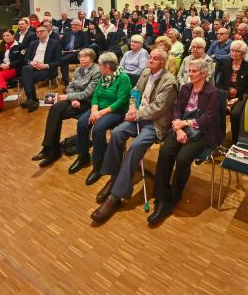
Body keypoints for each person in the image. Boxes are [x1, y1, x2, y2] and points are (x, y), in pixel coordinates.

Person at [91, 49, 179, 222]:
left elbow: (159, 108)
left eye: (154, 59)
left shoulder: (170, 81)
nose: (150, 61)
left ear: (162, 62)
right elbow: (134, 92)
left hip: (155, 123)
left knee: (136, 146)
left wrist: (136, 114)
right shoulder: (146, 72)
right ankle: (114, 178)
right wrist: (132, 107)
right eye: (150, 57)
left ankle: (115, 196)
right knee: (116, 133)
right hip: (136, 117)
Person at [149, 58, 221, 226]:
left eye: (194, 71)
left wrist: (185, 124)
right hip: (182, 127)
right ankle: (160, 195)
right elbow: (177, 109)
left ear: (204, 74)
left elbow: (208, 118)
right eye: (189, 71)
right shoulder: (185, 87)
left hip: (203, 132)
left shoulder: (212, 92)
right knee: (165, 151)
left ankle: (174, 197)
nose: (190, 74)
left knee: (182, 158)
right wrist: (178, 128)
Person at [69, 52, 131, 185]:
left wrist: (100, 113)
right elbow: (96, 95)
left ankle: (98, 164)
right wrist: (94, 110)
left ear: (107, 67)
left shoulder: (123, 78)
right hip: (99, 109)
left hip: (115, 111)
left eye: (101, 65)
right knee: (82, 123)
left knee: (98, 128)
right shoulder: (104, 77)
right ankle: (83, 156)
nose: (99, 67)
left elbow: (121, 101)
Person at [32, 48, 100, 167]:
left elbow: (87, 94)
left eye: (85, 57)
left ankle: (53, 151)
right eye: (80, 56)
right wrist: (72, 99)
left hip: (87, 103)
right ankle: (49, 148)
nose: (81, 59)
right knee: (55, 109)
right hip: (75, 100)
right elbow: (70, 86)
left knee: (57, 113)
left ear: (92, 58)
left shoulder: (97, 71)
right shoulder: (78, 70)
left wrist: (68, 97)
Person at [216, 40, 248, 144]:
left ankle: (235, 141)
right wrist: (224, 99)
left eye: (237, 51)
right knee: (215, 110)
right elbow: (219, 84)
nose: (234, 53)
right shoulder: (225, 65)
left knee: (235, 114)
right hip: (225, 97)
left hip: (240, 98)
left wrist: (236, 99)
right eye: (232, 50)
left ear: (243, 53)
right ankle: (218, 139)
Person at [18, 26, 62, 113]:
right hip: (32, 67)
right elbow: (26, 59)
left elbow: (59, 61)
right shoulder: (33, 43)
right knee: (26, 68)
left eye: (41, 31)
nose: (39, 33)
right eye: (37, 32)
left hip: (47, 69)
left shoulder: (55, 43)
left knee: (26, 77)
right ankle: (32, 100)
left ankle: (32, 100)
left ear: (47, 31)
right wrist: (31, 63)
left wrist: (45, 65)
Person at [0, 30, 23, 115]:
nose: (5, 37)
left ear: (13, 35)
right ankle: (1, 87)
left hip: (13, 69)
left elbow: (21, 60)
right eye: (4, 36)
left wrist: (9, 65)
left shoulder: (20, 46)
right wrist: (1, 64)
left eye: (8, 35)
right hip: (1, 67)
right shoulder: (1, 45)